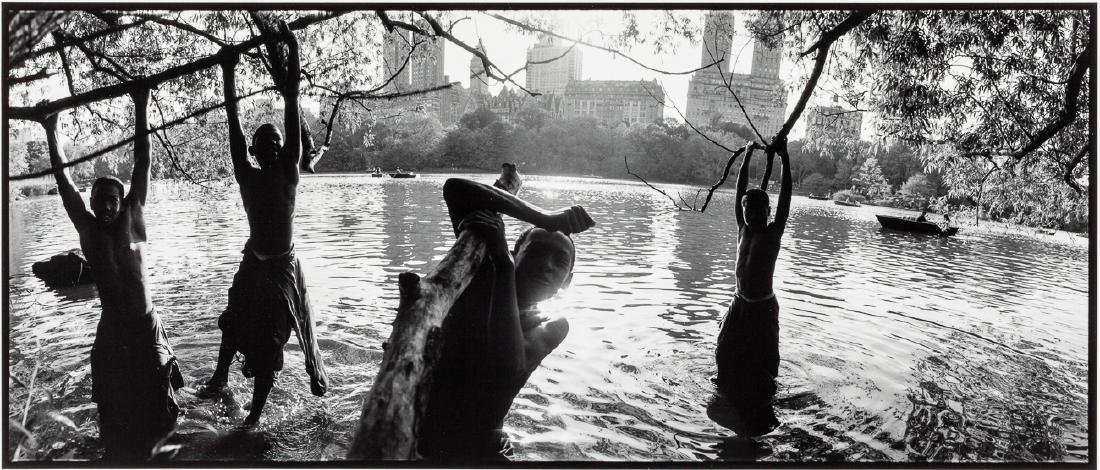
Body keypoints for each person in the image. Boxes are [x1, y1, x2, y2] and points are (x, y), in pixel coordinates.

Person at [42, 88, 184, 460]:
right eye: (99, 200)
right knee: (109, 405)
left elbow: (143, 162)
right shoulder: (88, 232)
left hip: (144, 324)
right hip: (112, 329)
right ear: (90, 204)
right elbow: (64, 183)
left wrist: (141, 103)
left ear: (122, 204)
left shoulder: (133, 220)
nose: (105, 206)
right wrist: (50, 129)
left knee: (162, 409)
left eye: (112, 200)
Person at [197, 23, 328, 425]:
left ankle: (253, 418)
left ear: (285, 148)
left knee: (270, 342)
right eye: (264, 142)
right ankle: (221, 376)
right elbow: (232, 117)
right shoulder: (248, 176)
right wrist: (227, 70)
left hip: (281, 267)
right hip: (253, 261)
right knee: (233, 319)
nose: (272, 145)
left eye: (277, 141)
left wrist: (291, 45)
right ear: (254, 151)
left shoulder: (290, 170)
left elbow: (291, 99)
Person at [418, 178, 595, 460]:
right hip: (418, 434)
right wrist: (544, 217)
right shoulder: (478, 277)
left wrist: (502, 262)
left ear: (567, 283)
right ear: (516, 255)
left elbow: (508, 366)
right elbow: (455, 188)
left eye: (560, 260)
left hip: (481, 449)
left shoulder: (552, 326)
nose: (547, 265)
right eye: (536, 252)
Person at [713, 143, 792, 437]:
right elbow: (739, 189)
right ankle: (726, 392)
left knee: (765, 362)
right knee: (725, 351)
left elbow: (785, 198)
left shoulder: (773, 232)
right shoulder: (742, 227)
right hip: (739, 303)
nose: (751, 214)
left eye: (758, 210)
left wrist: (784, 160)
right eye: (748, 209)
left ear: (767, 212)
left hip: (762, 306)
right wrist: (747, 155)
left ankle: (764, 407)